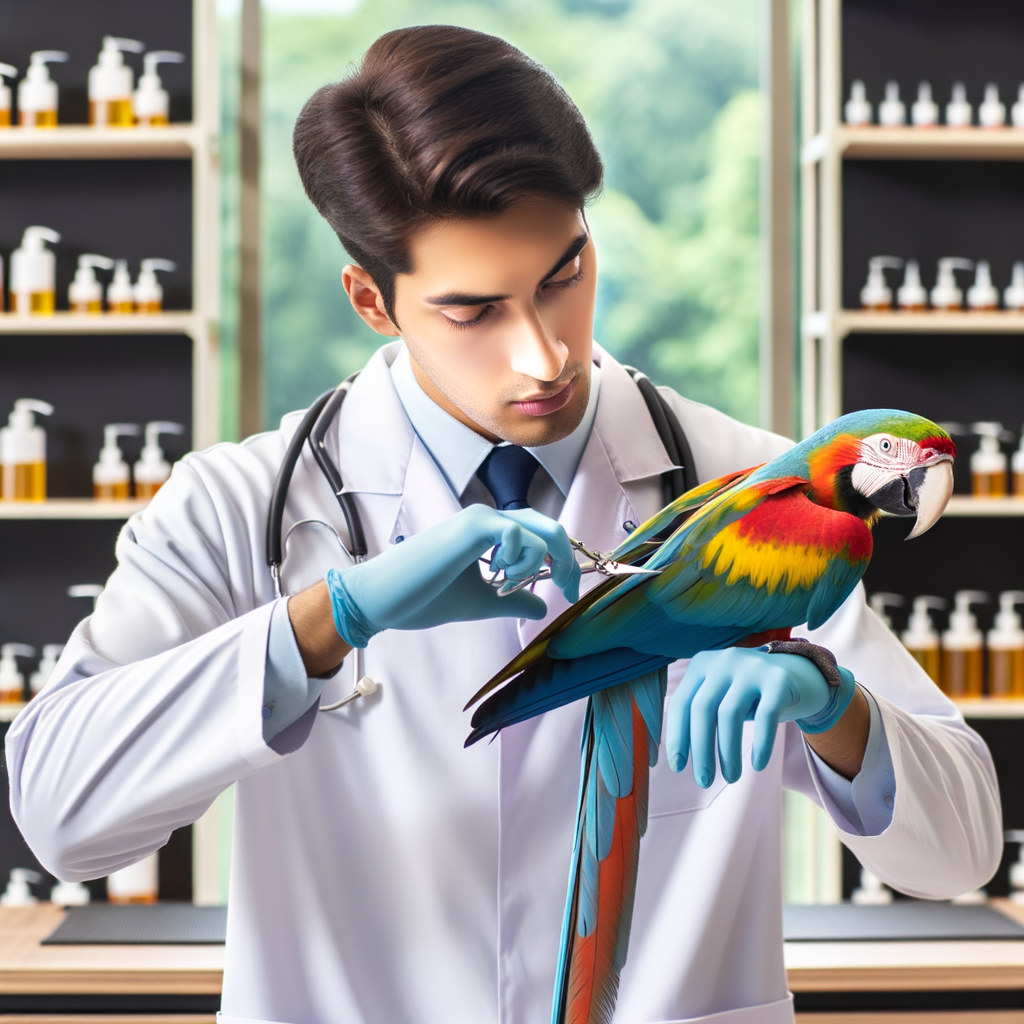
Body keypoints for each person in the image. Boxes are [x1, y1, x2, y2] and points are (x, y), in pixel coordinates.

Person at [8, 25, 1000, 1024]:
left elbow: (956, 848)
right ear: (371, 300)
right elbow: (60, 818)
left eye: (563, 275)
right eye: (474, 309)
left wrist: (830, 705)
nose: (543, 354)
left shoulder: (749, 487)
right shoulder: (239, 506)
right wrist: (324, 621)